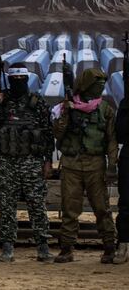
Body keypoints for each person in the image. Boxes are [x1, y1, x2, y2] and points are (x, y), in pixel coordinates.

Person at [0, 63, 54, 262]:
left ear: (27, 79)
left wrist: (48, 161)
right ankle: (8, 247)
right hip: (7, 161)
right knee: (6, 205)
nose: (17, 83)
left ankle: (42, 246)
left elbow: (48, 134)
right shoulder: (2, 101)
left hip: (32, 161)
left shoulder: (36, 102)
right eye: (14, 79)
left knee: (36, 204)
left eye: (21, 79)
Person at [51, 67, 118, 263]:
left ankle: (109, 247)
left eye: (102, 85)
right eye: (97, 85)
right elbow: (57, 133)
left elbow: (111, 140)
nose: (100, 88)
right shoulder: (67, 106)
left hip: (95, 165)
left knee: (102, 208)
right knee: (69, 209)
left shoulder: (105, 110)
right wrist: (65, 111)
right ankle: (66, 248)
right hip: (72, 164)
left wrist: (111, 165)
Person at [116, 84, 129, 264]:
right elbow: (120, 133)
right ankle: (124, 245)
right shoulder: (126, 104)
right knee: (126, 204)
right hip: (128, 155)